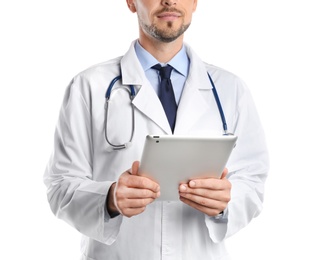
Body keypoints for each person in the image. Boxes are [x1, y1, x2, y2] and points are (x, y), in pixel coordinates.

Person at [44, 0, 269, 259]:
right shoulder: (88, 86)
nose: (169, 1)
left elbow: (253, 180)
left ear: (195, 2)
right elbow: (60, 185)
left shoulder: (231, 90)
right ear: (131, 2)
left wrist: (226, 202)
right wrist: (109, 198)